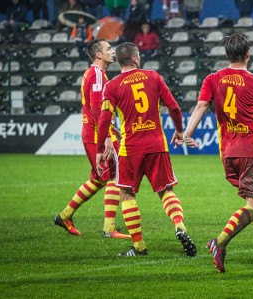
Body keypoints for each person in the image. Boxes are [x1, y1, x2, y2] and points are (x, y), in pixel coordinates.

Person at [183, 32, 253, 273]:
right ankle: (219, 242)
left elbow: (201, 106)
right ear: (248, 54)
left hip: (227, 153)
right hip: (251, 151)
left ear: (227, 55)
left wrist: (188, 134)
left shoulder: (213, 79)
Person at [95, 42, 197, 257]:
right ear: (134, 59)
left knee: (126, 193)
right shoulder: (153, 77)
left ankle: (139, 247)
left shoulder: (111, 86)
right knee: (166, 191)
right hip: (157, 145)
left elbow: (104, 119)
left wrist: (99, 149)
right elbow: (174, 107)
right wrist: (179, 131)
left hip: (130, 149)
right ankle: (179, 226)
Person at [54, 39, 130, 240]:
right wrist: (106, 137)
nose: (112, 52)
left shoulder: (96, 74)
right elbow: (98, 109)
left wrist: (112, 129)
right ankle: (109, 228)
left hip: (94, 132)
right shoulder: (97, 75)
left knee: (97, 179)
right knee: (115, 176)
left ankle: (65, 216)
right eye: (108, 49)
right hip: (98, 133)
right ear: (98, 54)